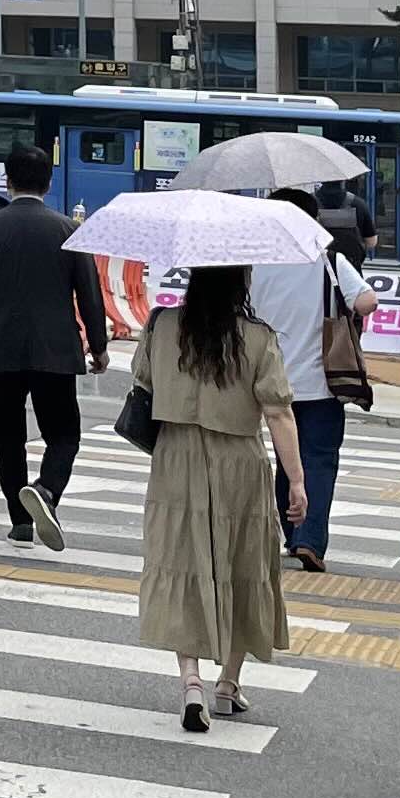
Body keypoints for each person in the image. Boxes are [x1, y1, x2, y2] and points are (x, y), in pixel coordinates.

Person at [128, 264, 302, 732]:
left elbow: (143, 380)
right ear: (241, 282)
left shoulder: (162, 324)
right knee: (243, 564)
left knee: (181, 563)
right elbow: (279, 412)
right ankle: (228, 683)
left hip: (175, 459)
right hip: (239, 460)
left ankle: (191, 682)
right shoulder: (258, 337)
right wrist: (298, 481)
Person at [0, 145, 108, 548]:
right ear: (48, 184)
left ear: (8, 181)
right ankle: (46, 490)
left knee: (8, 440)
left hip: (1, 350)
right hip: (56, 351)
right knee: (64, 436)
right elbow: (90, 294)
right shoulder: (68, 230)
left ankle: (20, 523)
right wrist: (99, 345)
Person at [240, 189, 364, 575]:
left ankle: (293, 533)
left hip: (268, 379)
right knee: (319, 460)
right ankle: (309, 539)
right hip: (322, 381)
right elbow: (367, 302)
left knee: (286, 458)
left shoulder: (256, 262)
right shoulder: (329, 260)